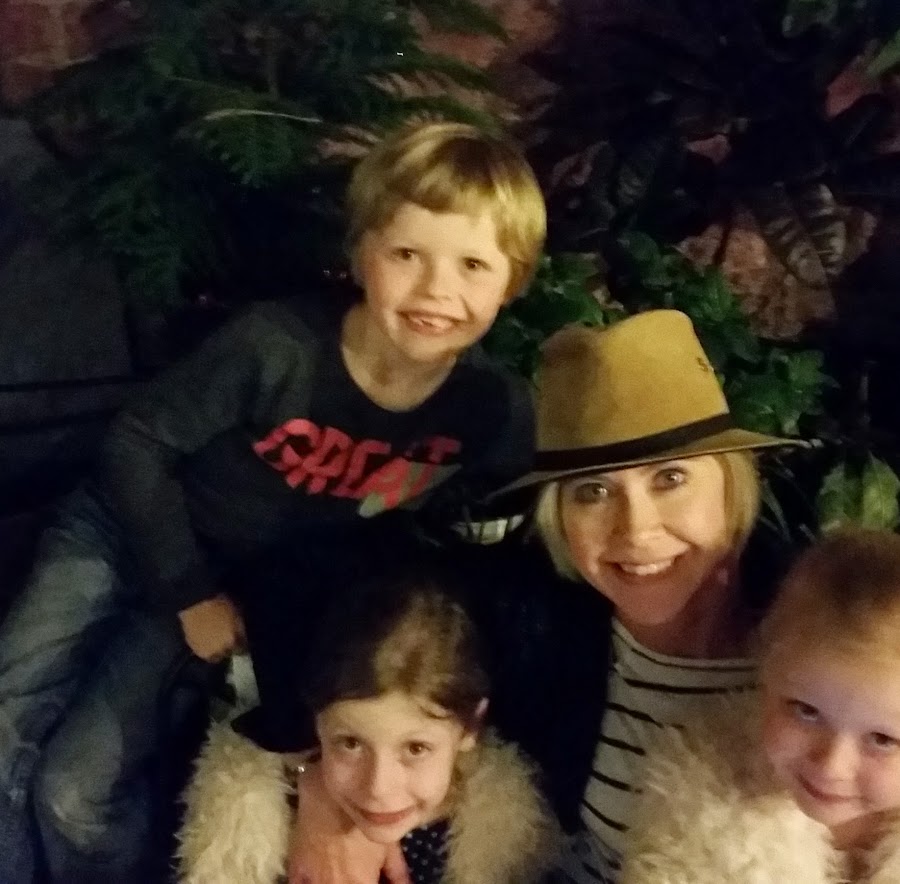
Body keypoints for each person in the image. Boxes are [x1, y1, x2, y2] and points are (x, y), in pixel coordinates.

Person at [0, 120, 545, 883]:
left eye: (473, 265)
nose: (436, 290)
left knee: (75, 787)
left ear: (512, 281)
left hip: (227, 580)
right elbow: (138, 444)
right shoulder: (275, 346)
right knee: (9, 709)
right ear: (361, 253)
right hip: (124, 533)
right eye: (406, 255)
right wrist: (187, 592)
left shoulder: (491, 410)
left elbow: (474, 553)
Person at [273, 309, 807, 884]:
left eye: (669, 478)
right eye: (593, 491)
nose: (636, 529)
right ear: (560, 516)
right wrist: (321, 781)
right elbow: (308, 573)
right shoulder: (537, 609)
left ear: (730, 484)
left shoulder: (818, 637)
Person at [176, 555, 561, 884]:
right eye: (351, 743)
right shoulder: (253, 821)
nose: (378, 788)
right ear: (314, 721)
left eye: (416, 748)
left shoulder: (505, 840)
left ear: (470, 726)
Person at [620, 528, 900, 884]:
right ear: (766, 677)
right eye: (806, 711)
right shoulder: (694, 807)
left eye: (882, 739)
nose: (831, 766)